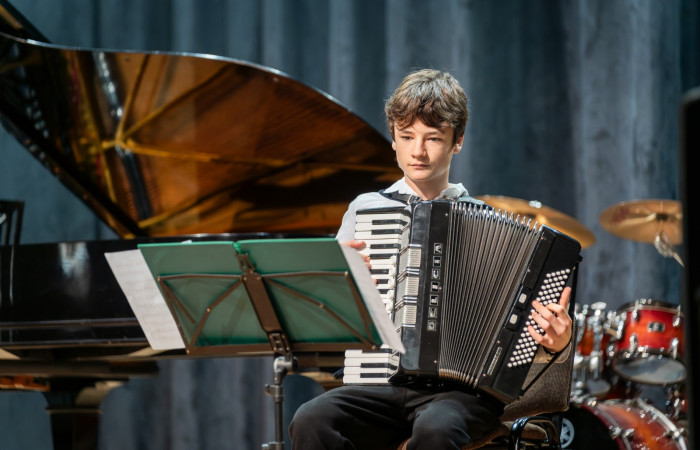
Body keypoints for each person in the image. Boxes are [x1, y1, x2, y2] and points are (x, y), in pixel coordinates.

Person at [289, 69, 573, 450]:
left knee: (436, 430)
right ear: (393, 138)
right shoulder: (365, 211)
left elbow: (522, 334)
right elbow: (325, 319)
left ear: (458, 142)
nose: (417, 151)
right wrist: (341, 289)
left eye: (433, 138)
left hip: (460, 393)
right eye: (406, 136)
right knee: (310, 419)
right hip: (380, 383)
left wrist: (558, 342)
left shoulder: (486, 221)